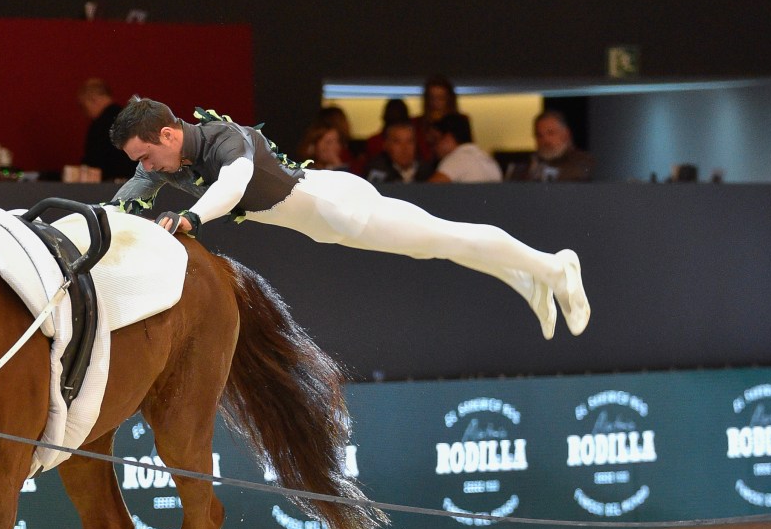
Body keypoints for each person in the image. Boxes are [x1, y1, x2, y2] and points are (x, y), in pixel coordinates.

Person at [106, 97, 589, 340]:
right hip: (330, 219)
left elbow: (232, 185)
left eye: (146, 156)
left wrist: (191, 219)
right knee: (436, 246)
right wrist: (92, 223)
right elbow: (120, 203)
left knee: (446, 239)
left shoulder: (226, 138)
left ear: (168, 135)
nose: (147, 168)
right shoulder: (163, 166)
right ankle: (526, 280)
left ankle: (554, 266)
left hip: (341, 207)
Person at [508, 110, 595, 182]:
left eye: (551, 133)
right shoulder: (528, 164)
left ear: (566, 134)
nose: (545, 140)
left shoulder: (583, 162)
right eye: (539, 135)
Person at [77, 78, 137, 181]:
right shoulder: (131, 119)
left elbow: (94, 160)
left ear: (93, 99)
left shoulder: (99, 125)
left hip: (107, 185)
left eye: (84, 106)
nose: (86, 113)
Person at [428, 113, 502, 183]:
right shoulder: (490, 161)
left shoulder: (456, 160)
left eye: (435, 140)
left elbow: (428, 190)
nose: (433, 148)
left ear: (448, 138)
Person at [412, 75, 468, 165]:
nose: (435, 103)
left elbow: (468, 151)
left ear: (449, 100)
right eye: (432, 98)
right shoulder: (416, 123)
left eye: (441, 98)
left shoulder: (461, 123)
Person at [363, 121, 433, 183]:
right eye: (397, 142)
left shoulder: (427, 170)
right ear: (386, 145)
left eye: (410, 142)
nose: (404, 148)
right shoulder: (378, 170)